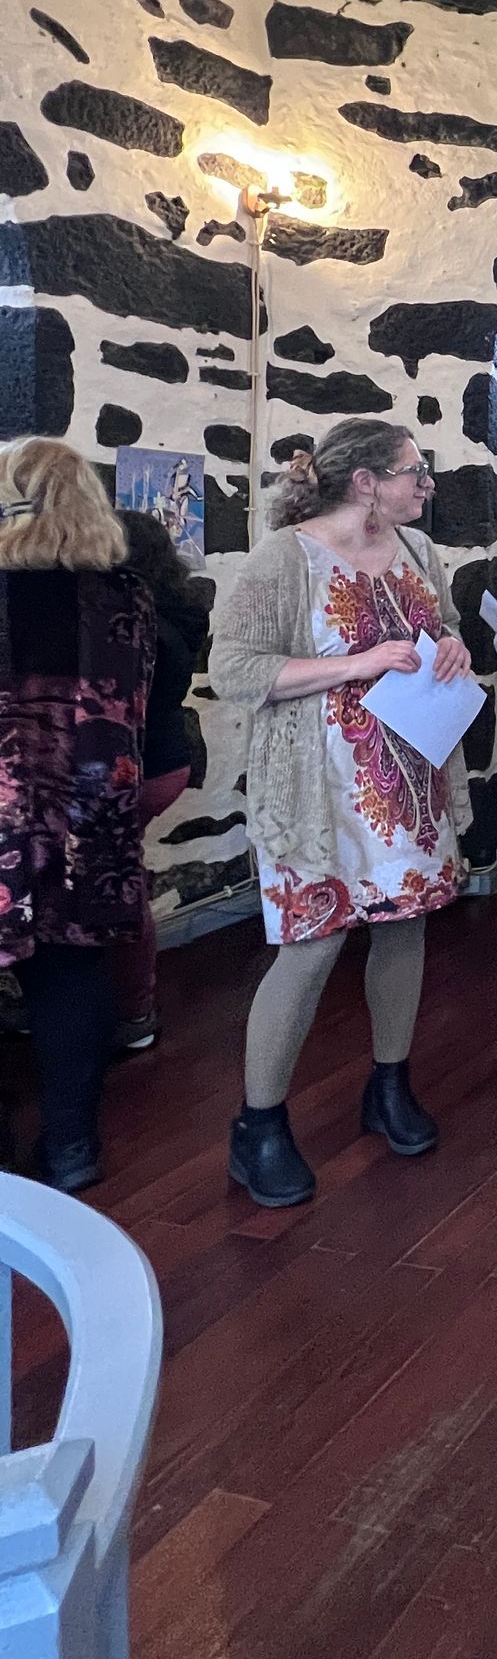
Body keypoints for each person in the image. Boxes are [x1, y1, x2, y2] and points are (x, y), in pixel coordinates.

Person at [210, 420, 475, 1207]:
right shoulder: (285, 557)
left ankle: (388, 1085)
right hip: (317, 796)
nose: (426, 484)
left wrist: (453, 646)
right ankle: (258, 1125)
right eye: (413, 471)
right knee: (311, 947)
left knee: (404, 928)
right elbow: (233, 668)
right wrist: (359, 663)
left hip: (410, 784)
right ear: (366, 481)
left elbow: (443, 628)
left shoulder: (419, 551)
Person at [0, 440, 154, 1189]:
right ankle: (72, 1149)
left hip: (5, 814)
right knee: (73, 973)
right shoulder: (127, 596)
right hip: (92, 814)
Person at [111, 507, 211, 1052]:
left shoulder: (136, 619)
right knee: (120, 872)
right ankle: (129, 1003)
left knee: (120, 880)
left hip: (137, 763)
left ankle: (135, 1009)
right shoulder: (179, 609)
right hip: (167, 758)